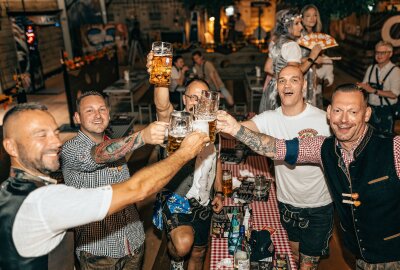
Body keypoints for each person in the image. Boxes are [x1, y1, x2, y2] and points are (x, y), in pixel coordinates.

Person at [0, 103, 209, 269]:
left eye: (55, 132)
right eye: (41, 135)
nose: (55, 142)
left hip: (131, 242)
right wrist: (184, 152)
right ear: (10, 146)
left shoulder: (16, 190)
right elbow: (137, 188)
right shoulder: (41, 201)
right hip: (100, 255)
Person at [217, 84, 400, 269]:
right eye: (338, 110)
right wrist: (236, 130)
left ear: (366, 114)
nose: (344, 119)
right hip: (359, 256)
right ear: (329, 112)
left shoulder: (394, 148)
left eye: (353, 111)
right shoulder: (322, 148)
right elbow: (275, 147)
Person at [60, 91, 169, 269]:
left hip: (133, 242)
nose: (97, 115)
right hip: (99, 252)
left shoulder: (114, 144)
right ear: (77, 117)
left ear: (109, 114)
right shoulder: (70, 149)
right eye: (89, 111)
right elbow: (98, 154)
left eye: (102, 109)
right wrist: (143, 137)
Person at [239, 66, 333, 269]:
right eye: (282, 80)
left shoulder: (324, 119)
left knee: (307, 265)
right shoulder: (269, 118)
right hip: (287, 203)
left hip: (319, 207)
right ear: (276, 86)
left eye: (294, 80)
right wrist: (216, 122)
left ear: (304, 85)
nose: (287, 85)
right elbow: (239, 131)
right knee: (296, 256)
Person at [148, 52, 224, 270]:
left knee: (199, 252)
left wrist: (218, 191)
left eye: (202, 98)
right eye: (192, 97)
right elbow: (162, 106)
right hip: (177, 196)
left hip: (203, 201)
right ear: (184, 99)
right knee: (183, 246)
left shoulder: (213, 128)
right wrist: (160, 76)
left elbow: (215, 160)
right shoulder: (176, 123)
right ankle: (175, 258)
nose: (197, 102)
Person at [259, 8, 322, 113]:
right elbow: (296, 73)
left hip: (272, 88)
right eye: (297, 24)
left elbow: (267, 67)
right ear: (288, 26)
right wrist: (313, 56)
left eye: (300, 23)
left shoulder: (276, 41)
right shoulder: (292, 45)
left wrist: (279, 77)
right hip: (285, 91)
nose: (301, 27)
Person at [357, 40, 400, 134]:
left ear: (390, 54)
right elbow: (365, 87)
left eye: (383, 53)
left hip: (386, 111)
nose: (379, 55)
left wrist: (373, 90)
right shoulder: (371, 68)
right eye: (377, 52)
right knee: (369, 136)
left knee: (385, 139)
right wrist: (360, 87)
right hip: (371, 109)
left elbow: (394, 94)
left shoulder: (395, 71)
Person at [301, 4, 334, 108]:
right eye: (308, 16)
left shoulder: (317, 35)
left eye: (315, 15)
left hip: (313, 75)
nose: (312, 18)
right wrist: (313, 59)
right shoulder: (298, 34)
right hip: (301, 74)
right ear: (302, 18)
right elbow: (293, 59)